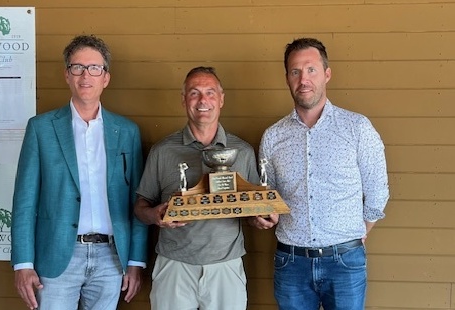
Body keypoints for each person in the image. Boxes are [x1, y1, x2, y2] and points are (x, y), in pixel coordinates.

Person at [249, 37, 390, 309]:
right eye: (295, 71)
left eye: (311, 69)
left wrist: (359, 233)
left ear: (327, 74)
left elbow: (377, 192)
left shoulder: (357, 128)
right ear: (287, 78)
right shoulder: (273, 136)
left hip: (345, 261)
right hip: (291, 263)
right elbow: (269, 197)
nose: (304, 79)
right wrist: (262, 217)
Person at [11, 34, 148, 310]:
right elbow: (24, 202)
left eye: (94, 68)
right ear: (67, 75)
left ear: (105, 77)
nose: (86, 75)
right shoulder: (41, 129)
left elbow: (139, 201)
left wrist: (135, 261)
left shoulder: (127, 132)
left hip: (112, 258)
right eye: (77, 67)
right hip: (57, 256)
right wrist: (23, 263)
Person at [134, 66, 260, 310]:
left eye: (210, 93)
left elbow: (253, 210)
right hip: (174, 265)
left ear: (221, 99)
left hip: (226, 266)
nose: (203, 100)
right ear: (184, 100)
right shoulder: (162, 151)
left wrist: (263, 218)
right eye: (194, 93)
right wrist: (155, 216)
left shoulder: (242, 152)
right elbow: (141, 205)